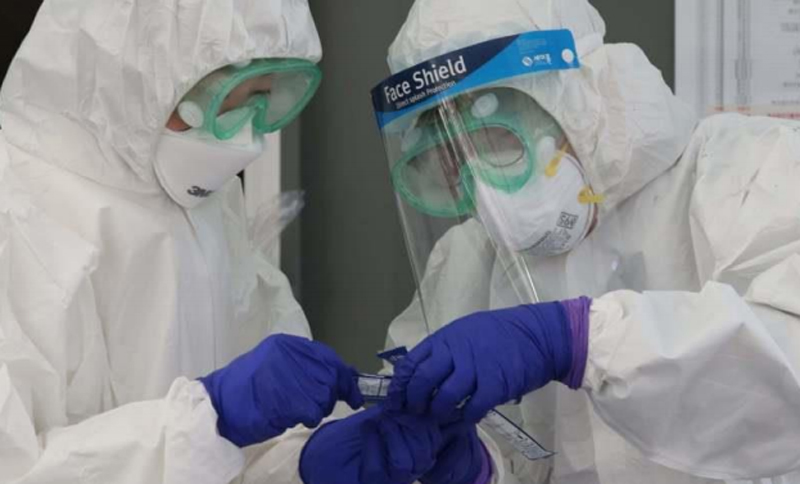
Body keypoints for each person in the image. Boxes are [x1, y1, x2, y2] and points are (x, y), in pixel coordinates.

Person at [0, 0, 446, 482]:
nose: (246, 136)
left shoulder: (205, 210)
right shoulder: (19, 218)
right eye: (228, 99)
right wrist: (209, 418)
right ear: (136, 72)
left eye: (263, 97)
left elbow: (241, 448)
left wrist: (301, 459)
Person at [374, 1, 800, 484]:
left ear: (574, 103)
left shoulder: (751, 172)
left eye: (496, 140)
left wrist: (581, 339)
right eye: (453, 161)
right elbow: (515, 453)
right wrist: (477, 468)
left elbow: (785, 362)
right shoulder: (464, 261)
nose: (485, 194)